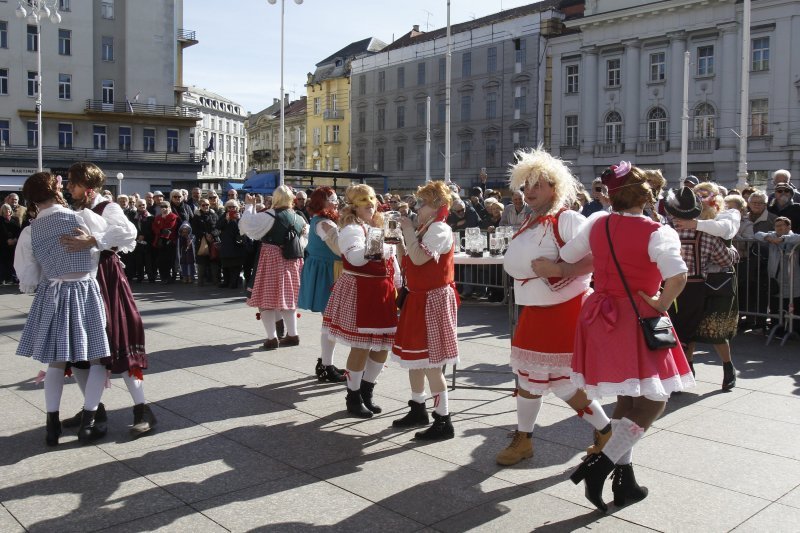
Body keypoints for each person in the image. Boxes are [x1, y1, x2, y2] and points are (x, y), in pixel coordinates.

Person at [560, 161, 694, 512]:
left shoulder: (597, 223)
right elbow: (677, 277)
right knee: (654, 400)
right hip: (638, 319)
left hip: (600, 316)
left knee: (626, 399)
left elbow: (568, 255)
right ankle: (601, 466)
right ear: (646, 195)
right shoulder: (657, 231)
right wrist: (661, 302)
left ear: (612, 196)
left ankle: (625, 481)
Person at [497, 148, 610, 468]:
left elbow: (596, 259)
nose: (530, 191)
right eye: (526, 185)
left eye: (538, 184)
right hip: (535, 309)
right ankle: (604, 431)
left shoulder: (568, 219)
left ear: (555, 187)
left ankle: (524, 439)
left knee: (536, 378)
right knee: (558, 381)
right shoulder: (531, 221)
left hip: (561, 311)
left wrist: (559, 271)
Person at [15, 172, 111, 445]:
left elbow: (28, 275)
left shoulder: (30, 231)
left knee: (56, 361)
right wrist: (93, 242)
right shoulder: (84, 217)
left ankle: (52, 425)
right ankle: (89, 422)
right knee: (95, 359)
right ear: (57, 191)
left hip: (53, 292)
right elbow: (119, 235)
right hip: (84, 290)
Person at [62, 162, 156, 438]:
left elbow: (128, 233)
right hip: (82, 282)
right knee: (81, 351)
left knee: (118, 345)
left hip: (107, 280)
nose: (69, 188)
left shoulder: (108, 207)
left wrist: (93, 240)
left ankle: (143, 409)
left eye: (73, 183)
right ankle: (94, 409)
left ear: (88, 188)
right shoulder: (78, 210)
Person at [322, 184, 400, 418]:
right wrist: (383, 247)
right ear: (354, 208)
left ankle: (367, 390)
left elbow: (392, 262)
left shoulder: (376, 226)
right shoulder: (352, 230)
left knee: (383, 345)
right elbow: (355, 259)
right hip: (361, 289)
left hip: (382, 290)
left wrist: (398, 282)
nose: (371, 205)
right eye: (365, 202)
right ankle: (353, 395)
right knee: (362, 345)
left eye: (373, 201)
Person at [391, 181, 460, 440]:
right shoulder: (426, 227)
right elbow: (410, 260)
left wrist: (408, 232)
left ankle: (443, 419)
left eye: (423, 203)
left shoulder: (440, 229)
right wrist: (400, 240)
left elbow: (420, 259)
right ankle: (418, 407)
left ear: (437, 207)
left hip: (433, 299)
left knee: (432, 363)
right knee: (414, 358)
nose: (418, 207)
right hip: (418, 297)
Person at [666, 187, 738, 385]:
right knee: (714, 331)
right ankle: (727, 369)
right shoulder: (708, 235)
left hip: (672, 285)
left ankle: (684, 373)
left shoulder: (667, 232)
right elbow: (725, 260)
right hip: (698, 286)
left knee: (681, 331)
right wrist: (732, 250)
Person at [240, 186, 308, 349]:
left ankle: (272, 338)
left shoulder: (269, 215)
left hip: (270, 259)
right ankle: (293, 334)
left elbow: (246, 226)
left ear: (276, 198)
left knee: (265, 299)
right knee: (288, 298)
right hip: (292, 261)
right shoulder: (299, 218)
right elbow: (304, 241)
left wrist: (250, 206)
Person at [297, 187, 346, 380]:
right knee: (330, 320)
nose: (336, 202)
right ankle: (326, 365)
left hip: (326, 269)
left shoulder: (322, 220)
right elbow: (339, 248)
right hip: (328, 271)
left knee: (329, 320)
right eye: (332, 199)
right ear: (322, 202)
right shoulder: (325, 223)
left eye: (335, 198)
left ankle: (326, 364)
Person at [755, 217, 800, 334]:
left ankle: (793, 329)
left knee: (792, 303)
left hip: (791, 278)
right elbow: (757, 234)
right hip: (775, 277)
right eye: (777, 226)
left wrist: (783, 239)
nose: (779, 228)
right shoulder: (772, 235)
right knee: (776, 304)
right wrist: (769, 238)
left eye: (782, 225)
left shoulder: (794, 237)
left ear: (789, 227)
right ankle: (777, 328)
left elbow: (797, 238)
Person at [216, 200, 247, 289]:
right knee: (225, 265)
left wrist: (239, 219)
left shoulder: (240, 215)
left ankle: (234, 283)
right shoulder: (224, 216)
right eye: (229, 207)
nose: (231, 209)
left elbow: (244, 228)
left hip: (237, 245)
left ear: (237, 207)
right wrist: (226, 220)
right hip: (226, 244)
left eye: (233, 207)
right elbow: (218, 226)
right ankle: (226, 281)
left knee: (235, 266)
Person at [191, 197, 221, 287]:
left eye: (207, 204)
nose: (205, 206)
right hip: (201, 242)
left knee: (214, 261)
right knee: (201, 262)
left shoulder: (214, 215)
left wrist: (212, 234)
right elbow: (194, 230)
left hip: (213, 241)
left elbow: (219, 228)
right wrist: (205, 235)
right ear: (200, 206)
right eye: (203, 205)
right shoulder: (196, 217)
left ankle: (216, 281)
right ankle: (200, 282)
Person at [152, 201, 179, 284]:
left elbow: (169, 228)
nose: (164, 208)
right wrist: (160, 230)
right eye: (162, 207)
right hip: (160, 242)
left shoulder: (173, 216)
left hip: (170, 241)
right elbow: (154, 227)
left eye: (166, 207)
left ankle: (170, 277)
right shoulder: (158, 217)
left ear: (169, 207)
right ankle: (163, 277)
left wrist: (160, 229)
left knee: (169, 260)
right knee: (160, 261)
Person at [130, 199, 155, 283]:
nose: (142, 207)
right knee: (139, 260)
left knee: (149, 261)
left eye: (143, 205)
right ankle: (140, 277)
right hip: (137, 242)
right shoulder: (133, 217)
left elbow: (152, 230)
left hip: (148, 241)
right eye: (140, 205)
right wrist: (137, 237)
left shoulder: (151, 217)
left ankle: (151, 277)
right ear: (136, 206)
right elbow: (132, 229)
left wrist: (144, 235)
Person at [1, 203, 21, 284]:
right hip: (3, 244)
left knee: (13, 261)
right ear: (2, 211)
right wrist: (7, 240)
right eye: (5, 210)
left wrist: (15, 240)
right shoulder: (0, 220)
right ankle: (3, 278)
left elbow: (19, 231)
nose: (7, 211)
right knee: (3, 262)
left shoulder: (15, 219)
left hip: (14, 243)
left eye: (8, 209)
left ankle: (13, 278)